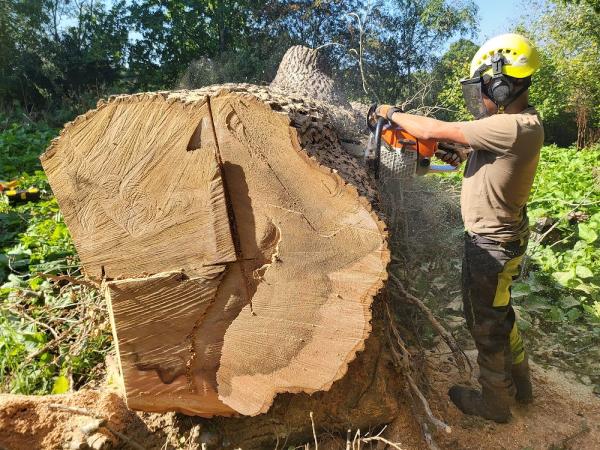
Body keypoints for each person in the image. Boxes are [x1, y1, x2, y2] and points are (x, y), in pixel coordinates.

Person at [376, 33, 544, 423]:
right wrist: (464, 154)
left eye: (483, 85)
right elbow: (484, 155)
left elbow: (433, 129)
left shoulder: (510, 126)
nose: (481, 95)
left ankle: (495, 403)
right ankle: (521, 384)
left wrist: (390, 113)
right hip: (506, 237)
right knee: (500, 313)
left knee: (484, 321)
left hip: (492, 245)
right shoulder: (524, 123)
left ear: (501, 83)